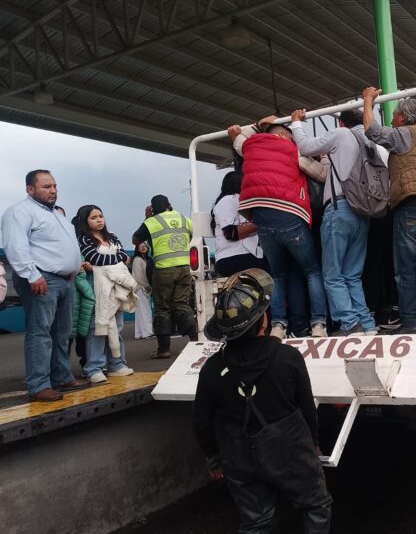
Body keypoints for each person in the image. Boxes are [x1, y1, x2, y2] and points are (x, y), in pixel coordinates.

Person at [194, 269, 332, 533]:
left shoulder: (211, 368)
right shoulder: (288, 358)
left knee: (256, 521)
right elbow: (306, 408)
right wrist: (313, 442)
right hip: (291, 452)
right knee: (316, 507)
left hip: (238, 456)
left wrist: (214, 458)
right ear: (263, 320)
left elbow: (201, 420)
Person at [228, 116, 328, 339]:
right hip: (290, 216)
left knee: (279, 275)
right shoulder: (292, 149)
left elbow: (236, 136)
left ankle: (278, 326)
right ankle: (318, 324)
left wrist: (258, 124)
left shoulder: (250, 147)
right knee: (312, 271)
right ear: (283, 134)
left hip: (262, 221)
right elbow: (322, 174)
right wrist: (323, 156)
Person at [1, 170, 90, 401]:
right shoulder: (20, 212)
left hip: (65, 280)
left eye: (54, 186)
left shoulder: (56, 215)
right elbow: (16, 246)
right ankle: (39, 384)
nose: (53, 191)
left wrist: (72, 269)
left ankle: (61, 376)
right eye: (46, 186)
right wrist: (32, 275)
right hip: (41, 279)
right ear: (30, 189)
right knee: (40, 332)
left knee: (61, 333)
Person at [290, 107, 378, 336]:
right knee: (352, 275)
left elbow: (305, 147)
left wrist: (296, 123)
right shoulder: (370, 140)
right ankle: (367, 324)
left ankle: (350, 324)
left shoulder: (341, 134)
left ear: (341, 123)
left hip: (339, 208)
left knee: (332, 274)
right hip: (363, 211)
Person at [363, 89, 416, 333]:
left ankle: (411, 322)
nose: (392, 119)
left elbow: (372, 131)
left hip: (409, 206)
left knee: (405, 270)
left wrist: (368, 101)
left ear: (403, 118)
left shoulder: (405, 133)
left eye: (394, 115)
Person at [76, 205, 136, 383]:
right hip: (97, 287)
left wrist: (110, 261)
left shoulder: (113, 237)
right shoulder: (83, 239)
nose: (99, 220)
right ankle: (94, 368)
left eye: (100, 216)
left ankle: (116, 364)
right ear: (85, 221)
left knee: (117, 326)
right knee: (98, 327)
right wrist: (117, 260)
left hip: (117, 288)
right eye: (93, 217)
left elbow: (123, 256)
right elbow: (96, 258)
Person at [133, 195, 197, 359]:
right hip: (184, 269)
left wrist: (147, 218)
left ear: (152, 209)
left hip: (163, 270)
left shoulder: (152, 222)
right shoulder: (184, 219)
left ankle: (164, 349)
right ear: (169, 205)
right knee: (181, 304)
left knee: (163, 309)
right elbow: (193, 236)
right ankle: (197, 341)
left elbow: (135, 240)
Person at [211, 171, 269, 277]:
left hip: (245, 256)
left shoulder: (243, 201)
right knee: (280, 268)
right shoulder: (227, 200)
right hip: (234, 257)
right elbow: (231, 234)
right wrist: (261, 223)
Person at [131, 242, 154, 340]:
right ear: (137, 249)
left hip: (143, 288)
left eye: (145, 246)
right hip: (141, 288)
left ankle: (139, 333)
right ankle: (147, 333)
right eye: (141, 246)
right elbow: (138, 277)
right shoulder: (137, 260)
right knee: (145, 310)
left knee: (140, 311)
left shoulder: (146, 260)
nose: (144, 248)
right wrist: (148, 286)